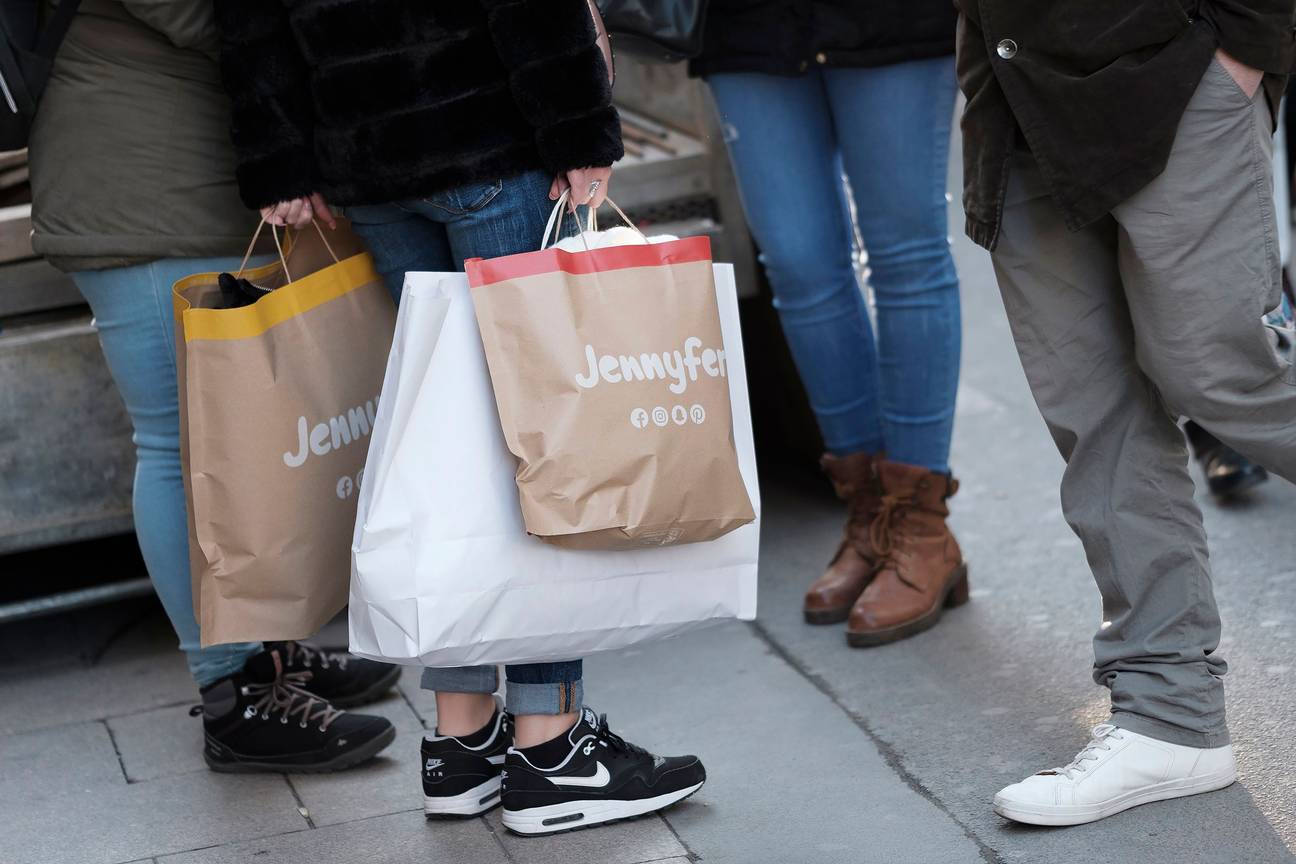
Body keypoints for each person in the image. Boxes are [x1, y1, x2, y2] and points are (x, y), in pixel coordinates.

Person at [212, 0, 705, 835]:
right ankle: (551, 749)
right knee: (538, 442)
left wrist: (283, 159)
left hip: (368, 168)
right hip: (486, 138)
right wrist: (582, 130)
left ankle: (462, 742)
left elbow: (247, 16)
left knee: (450, 450)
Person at [27, 0, 401, 773]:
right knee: (179, 442)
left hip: (177, 167)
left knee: (235, 435)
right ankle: (233, 693)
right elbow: (211, 15)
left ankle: (269, 652)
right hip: (138, 189)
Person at [957, 0, 1296, 826]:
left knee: (1223, 379)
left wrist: (1249, 42)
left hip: (1172, 67)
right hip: (1014, 93)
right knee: (1096, 415)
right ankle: (1170, 720)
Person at [691, 1, 967, 646]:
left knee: (907, 256)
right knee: (798, 266)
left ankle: (920, 528)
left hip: (890, 22)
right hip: (750, 28)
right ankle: (870, 519)